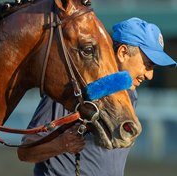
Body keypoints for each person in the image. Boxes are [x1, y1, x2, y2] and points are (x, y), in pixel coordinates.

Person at [17, 17, 176, 176]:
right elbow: (25, 151)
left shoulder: (131, 95)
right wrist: (61, 144)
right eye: (148, 65)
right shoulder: (76, 90)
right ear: (123, 53)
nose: (150, 75)